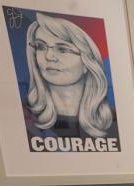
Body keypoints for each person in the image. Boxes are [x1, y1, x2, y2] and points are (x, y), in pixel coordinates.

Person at [23, 11, 118, 143]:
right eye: (41, 46)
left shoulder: (113, 120)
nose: (48, 56)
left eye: (62, 49)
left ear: (87, 62)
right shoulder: (25, 118)